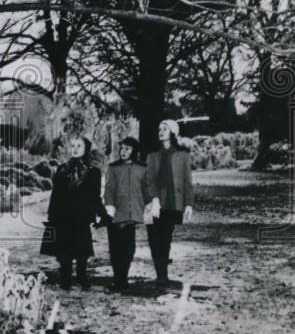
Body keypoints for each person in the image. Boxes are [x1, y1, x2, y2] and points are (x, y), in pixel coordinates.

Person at [42, 135, 105, 290]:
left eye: (79, 146)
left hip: (81, 216)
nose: (75, 149)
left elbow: (94, 195)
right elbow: (56, 194)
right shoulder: (62, 169)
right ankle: (66, 278)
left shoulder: (93, 171)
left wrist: (101, 213)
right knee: (64, 249)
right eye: (73, 146)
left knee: (82, 249)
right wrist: (52, 214)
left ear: (86, 149)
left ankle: (82, 276)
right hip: (63, 215)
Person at [103, 136, 157, 292]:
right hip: (115, 212)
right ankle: (117, 279)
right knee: (115, 248)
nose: (123, 151)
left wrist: (151, 206)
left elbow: (147, 190)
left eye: (127, 149)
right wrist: (109, 209)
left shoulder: (143, 168)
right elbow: (109, 190)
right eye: (122, 148)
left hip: (133, 213)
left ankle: (123, 279)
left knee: (128, 248)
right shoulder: (113, 168)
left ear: (134, 151)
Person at [146, 119, 195, 286]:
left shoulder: (183, 155)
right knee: (153, 237)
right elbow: (149, 180)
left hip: (173, 202)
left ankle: (163, 276)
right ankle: (159, 273)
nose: (161, 131)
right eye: (159, 129)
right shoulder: (152, 155)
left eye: (165, 129)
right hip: (154, 203)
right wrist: (153, 199)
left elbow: (187, 180)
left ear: (173, 132)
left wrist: (189, 204)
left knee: (165, 237)